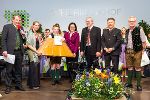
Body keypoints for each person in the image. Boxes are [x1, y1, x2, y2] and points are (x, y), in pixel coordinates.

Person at [1, 15, 26, 94]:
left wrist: (23, 35)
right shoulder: (7, 27)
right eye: (16, 20)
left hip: (19, 52)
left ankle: (18, 85)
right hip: (10, 52)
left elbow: (23, 40)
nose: (18, 21)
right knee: (9, 70)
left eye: (19, 20)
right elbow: (3, 39)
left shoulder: (21, 28)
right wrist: (4, 50)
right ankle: (8, 86)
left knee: (18, 70)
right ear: (12, 20)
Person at [125, 16, 146, 91]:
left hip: (137, 51)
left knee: (137, 67)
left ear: (135, 22)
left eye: (133, 21)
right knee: (129, 67)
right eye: (130, 21)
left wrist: (143, 51)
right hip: (128, 51)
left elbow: (144, 41)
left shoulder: (139, 29)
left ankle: (139, 85)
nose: (131, 22)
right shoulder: (127, 30)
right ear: (128, 22)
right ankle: (129, 83)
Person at [26, 21, 42, 89]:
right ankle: (33, 85)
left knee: (36, 67)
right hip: (32, 52)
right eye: (36, 25)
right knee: (34, 68)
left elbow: (38, 44)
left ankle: (32, 83)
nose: (37, 26)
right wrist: (36, 51)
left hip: (37, 52)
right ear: (33, 26)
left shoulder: (37, 34)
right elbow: (28, 45)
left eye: (38, 25)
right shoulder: (30, 33)